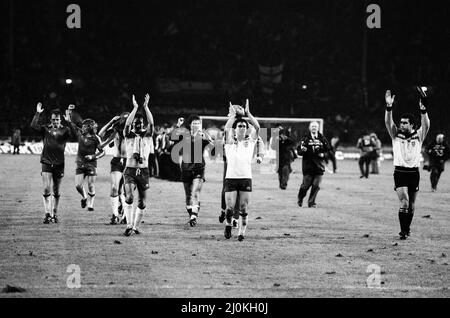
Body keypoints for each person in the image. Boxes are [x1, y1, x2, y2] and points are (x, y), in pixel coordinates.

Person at [384, 88, 430, 240]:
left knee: (411, 205)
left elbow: (427, 124)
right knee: (404, 201)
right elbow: (387, 121)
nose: (401, 124)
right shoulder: (396, 134)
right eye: (401, 122)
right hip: (400, 172)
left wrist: (423, 110)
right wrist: (389, 108)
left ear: (412, 124)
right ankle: (403, 231)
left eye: (405, 123)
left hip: (414, 173)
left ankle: (407, 228)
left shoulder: (419, 135)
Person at [223, 100, 261, 241]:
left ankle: (241, 233)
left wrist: (248, 114)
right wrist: (233, 115)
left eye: (244, 126)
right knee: (229, 208)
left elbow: (257, 127)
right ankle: (228, 224)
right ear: (236, 128)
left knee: (244, 208)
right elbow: (227, 128)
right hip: (231, 178)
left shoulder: (250, 142)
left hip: (245, 177)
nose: (242, 128)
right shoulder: (229, 142)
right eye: (240, 126)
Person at [30, 103, 74, 224]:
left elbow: (75, 135)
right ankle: (47, 214)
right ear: (51, 119)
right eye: (53, 119)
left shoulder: (65, 130)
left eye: (57, 119)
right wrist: (38, 113)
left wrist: (69, 121)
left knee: (56, 191)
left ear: (61, 120)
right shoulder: (45, 129)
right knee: (46, 189)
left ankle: (55, 213)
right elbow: (33, 125)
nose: (55, 121)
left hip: (59, 163)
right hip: (46, 161)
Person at [170, 116, 214, 226]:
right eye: (194, 123)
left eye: (198, 123)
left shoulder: (202, 136)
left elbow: (213, 146)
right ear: (190, 125)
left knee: (195, 192)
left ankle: (194, 217)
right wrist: (178, 126)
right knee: (188, 195)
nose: (196, 125)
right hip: (186, 168)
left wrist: (207, 136)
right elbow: (171, 138)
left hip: (199, 167)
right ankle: (192, 214)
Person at [122, 94, 154, 236]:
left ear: (143, 124)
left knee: (142, 202)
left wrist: (146, 107)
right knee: (129, 197)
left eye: (140, 122)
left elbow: (152, 123)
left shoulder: (147, 135)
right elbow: (127, 124)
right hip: (130, 170)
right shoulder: (128, 135)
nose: (138, 124)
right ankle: (128, 225)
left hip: (144, 171)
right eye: (136, 122)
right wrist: (135, 108)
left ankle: (135, 226)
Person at [69, 115, 106, 212]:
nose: (82, 128)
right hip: (80, 163)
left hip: (91, 164)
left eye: (85, 126)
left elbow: (103, 152)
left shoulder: (96, 138)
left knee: (91, 185)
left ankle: (91, 204)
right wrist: (69, 119)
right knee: (78, 186)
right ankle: (85, 197)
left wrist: (92, 157)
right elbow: (73, 127)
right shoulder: (80, 134)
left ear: (89, 127)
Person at [98, 112, 130, 224]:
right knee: (114, 188)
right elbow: (101, 134)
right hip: (117, 161)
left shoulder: (132, 131)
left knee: (126, 191)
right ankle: (115, 215)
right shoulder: (115, 130)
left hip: (129, 162)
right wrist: (111, 121)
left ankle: (126, 215)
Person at [297, 121, 330, 208]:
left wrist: (323, 155)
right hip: (308, 166)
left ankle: (311, 203)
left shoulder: (322, 139)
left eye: (315, 126)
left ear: (318, 128)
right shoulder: (305, 139)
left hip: (319, 167)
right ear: (309, 128)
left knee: (316, 185)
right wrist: (302, 151)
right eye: (312, 126)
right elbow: (299, 152)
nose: (314, 128)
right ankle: (300, 197)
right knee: (305, 185)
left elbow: (328, 151)